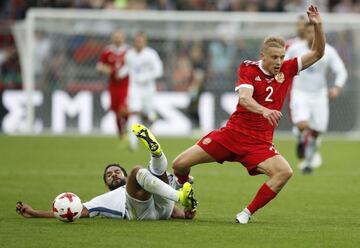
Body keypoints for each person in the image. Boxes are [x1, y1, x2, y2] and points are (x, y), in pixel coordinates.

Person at [172, 5, 325, 224]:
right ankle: (187, 197)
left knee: (284, 172)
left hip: (259, 144)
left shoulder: (288, 69)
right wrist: (264, 110)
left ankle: (246, 213)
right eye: (274, 57)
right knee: (179, 165)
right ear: (263, 56)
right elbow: (244, 98)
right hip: (231, 135)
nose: (279, 62)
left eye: (282, 57)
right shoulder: (248, 68)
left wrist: (318, 25)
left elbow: (318, 52)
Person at [16, 124, 197, 220]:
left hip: (163, 209)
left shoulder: (138, 184)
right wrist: (34, 213)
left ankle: (156, 154)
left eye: (116, 172)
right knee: (140, 171)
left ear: (124, 177)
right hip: (140, 214)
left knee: (153, 176)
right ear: (106, 184)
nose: (113, 175)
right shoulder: (103, 200)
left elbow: (172, 212)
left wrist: (185, 215)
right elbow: (73, 211)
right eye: (109, 175)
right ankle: (159, 161)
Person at [286, 22, 348, 174]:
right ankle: (300, 139)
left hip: (320, 95)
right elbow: (284, 66)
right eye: (309, 32)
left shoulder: (329, 51)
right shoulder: (296, 48)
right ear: (305, 33)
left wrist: (336, 88)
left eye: (315, 32)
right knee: (302, 125)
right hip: (300, 93)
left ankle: (307, 163)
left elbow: (341, 71)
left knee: (316, 132)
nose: (312, 35)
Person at [118, 31, 163, 151]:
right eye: (137, 41)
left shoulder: (151, 54)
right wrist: (119, 73)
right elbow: (127, 68)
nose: (139, 43)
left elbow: (159, 70)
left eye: (141, 41)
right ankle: (133, 143)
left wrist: (146, 77)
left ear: (145, 42)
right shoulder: (130, 54)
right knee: (134, 112)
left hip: (148, 89)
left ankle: (152, 143)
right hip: (135, 89)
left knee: (149, 116)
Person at [96, 29, 130, 141]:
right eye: (115, 36)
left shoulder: (129, 51)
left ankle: (127, 127)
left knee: (123, 109)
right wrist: (109, 70)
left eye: (119, 36)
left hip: (126, 85)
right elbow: (100, 67)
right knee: (116, 110)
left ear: (123, 38)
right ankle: (121, 133)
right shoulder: (107, 51)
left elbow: (133, 67)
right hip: (113, 86)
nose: (117, 39)